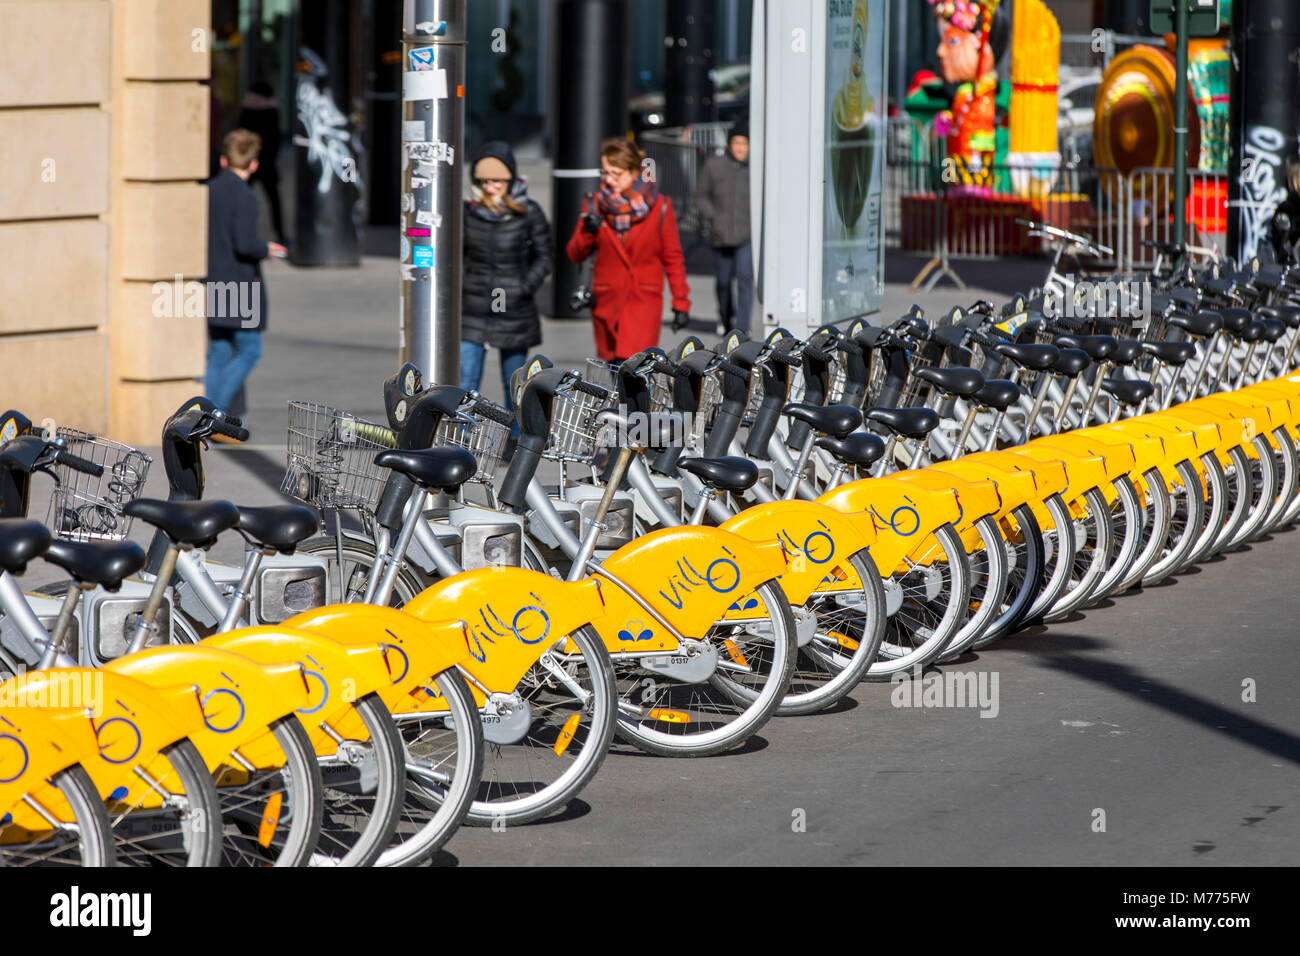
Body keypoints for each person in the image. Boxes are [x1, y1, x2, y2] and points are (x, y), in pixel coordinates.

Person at [567, 137, 690, 362]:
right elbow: (574, 254)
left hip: (643, 301)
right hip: (607, 302)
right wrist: (587, 230)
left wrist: (680, 302)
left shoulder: (660, 206)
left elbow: (673, 257)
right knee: (613, 374)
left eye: (616, 173)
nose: (609, 180)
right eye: (605, 172)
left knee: (636, 370)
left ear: (634, 171)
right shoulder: (594, 204)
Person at [461, 141, 553, 409]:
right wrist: (465, 286)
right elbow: (456, 256)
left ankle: (515, 447)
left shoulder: (529, 212)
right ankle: (462, 443)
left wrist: (523, 287)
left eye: (498, 180)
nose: (491, 187)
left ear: (511, 178)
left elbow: (545, 256)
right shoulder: (467, 213)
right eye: (485, 180)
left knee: (514, 386)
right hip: (473, 308)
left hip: (514, 310)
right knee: (466, 385)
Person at [204, 129, 285, 412]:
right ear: (254, 165)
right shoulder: (246, 196)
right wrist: (266, 249)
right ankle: (216, 410)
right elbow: (245, 243)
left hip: (213, 281)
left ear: (224, 161)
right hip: (240, 284)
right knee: (250, 350)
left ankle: (205, 408)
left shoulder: (209, 191)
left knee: (220, 349)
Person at [695, 120, 752, 336]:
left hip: (746, 235)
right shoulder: (714, 165)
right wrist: (713, 218)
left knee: (745, 279)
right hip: (721, 236)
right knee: (723, 283)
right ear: (730, 144)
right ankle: (727, 320)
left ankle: (743, 328)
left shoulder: (755, 167)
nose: (740, 148)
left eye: (744, 144)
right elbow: (701, 197)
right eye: (736, 143)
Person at [236, 81, 287, 245]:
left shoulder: (247, 110)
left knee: (243, 198)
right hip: (266, 163)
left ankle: (241, 230)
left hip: (249, 161)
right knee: (273, 199)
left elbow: (240, 136)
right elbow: (275, 139)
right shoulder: (272, 111)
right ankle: (280, 233)